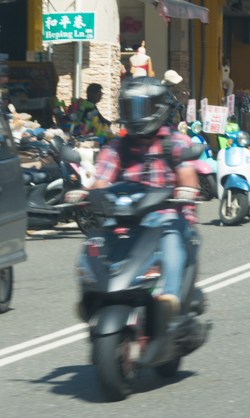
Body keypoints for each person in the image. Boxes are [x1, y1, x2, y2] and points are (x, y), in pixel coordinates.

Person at [78, 78, 200, 324]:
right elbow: (100, 181)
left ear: (158, 109)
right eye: (128, 108)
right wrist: (82, 194)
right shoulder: (116, 147)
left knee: (171, 240)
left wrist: (184, 191)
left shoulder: (176, 143)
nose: (133, 115)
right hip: (125, 219)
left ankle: (170, 300)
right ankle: (91, 297)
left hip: (168, 219)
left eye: (141, 108)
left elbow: (189, 180)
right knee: (93, 243)